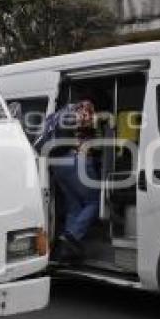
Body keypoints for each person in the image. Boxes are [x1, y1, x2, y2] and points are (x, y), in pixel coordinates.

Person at [38, 100, 100, 263]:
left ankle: (66, 251)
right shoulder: (85, 107)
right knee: (94, 201)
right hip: (76, 160)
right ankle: (71, 236)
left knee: (74, 206)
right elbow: (88, 128)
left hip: (58, 164)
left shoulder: (59, 112)